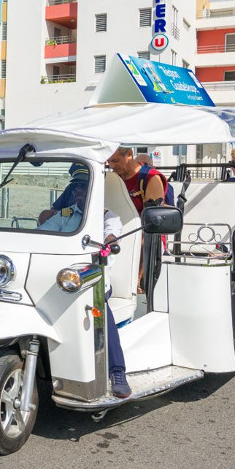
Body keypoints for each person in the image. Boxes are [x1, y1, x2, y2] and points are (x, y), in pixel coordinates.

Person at [38, 170, 132, 397]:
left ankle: (117, 371)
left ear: (96, 191)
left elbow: (112, 234)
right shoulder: (67, 214)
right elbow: (44, 234)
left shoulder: (109, 217)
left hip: (93, 282)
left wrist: (109, 241)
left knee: (103, 314)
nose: (80, 191)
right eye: (78, 187)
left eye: (85, 187)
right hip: (63, 279)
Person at [107, 146, 169, 293]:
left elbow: (150, 228)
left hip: (145, 241)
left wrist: (137, 277)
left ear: (129, 155)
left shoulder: (151, 178)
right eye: (108, 161)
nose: (111, 166)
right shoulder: (113, 178)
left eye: (115, 160)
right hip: (117, 235)